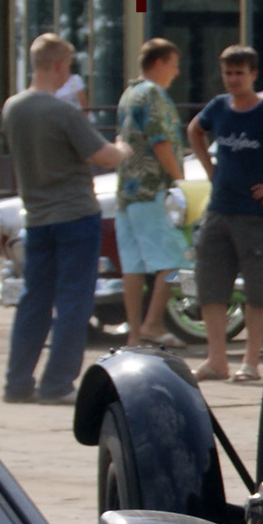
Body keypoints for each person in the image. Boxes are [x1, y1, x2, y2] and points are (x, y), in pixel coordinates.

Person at [2, 34, 128, 405]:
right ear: (58, 65)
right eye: (68, 67)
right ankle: (57, 383)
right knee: (74, 299)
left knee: (34, 299)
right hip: (75, 214)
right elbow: (103, 156)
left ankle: (17, 382)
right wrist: (124, 147)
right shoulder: (62, 111)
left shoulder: (13, 107)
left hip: (37, 217)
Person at [186, 44, 263, 383]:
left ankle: (250, 362)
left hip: (255, 215)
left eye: (239, 73)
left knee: (257, 291)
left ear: (253, 75)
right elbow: (194, 130)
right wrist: (209, 167)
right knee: (210, 286)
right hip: (218, 210)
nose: (233, 79)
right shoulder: (218, 107)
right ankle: (217, 360)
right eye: (228, 73)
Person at [114, 37, 188, 347]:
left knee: (133, 266)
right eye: (173, 64)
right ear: (158, 63)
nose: (177, 71)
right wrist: (179, 179)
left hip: (127, 192)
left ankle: (134, 333)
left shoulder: (128, 94)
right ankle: (153, 323)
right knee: (175, 257)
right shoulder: (154, 95)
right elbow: (159, 141)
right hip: (154, 187)